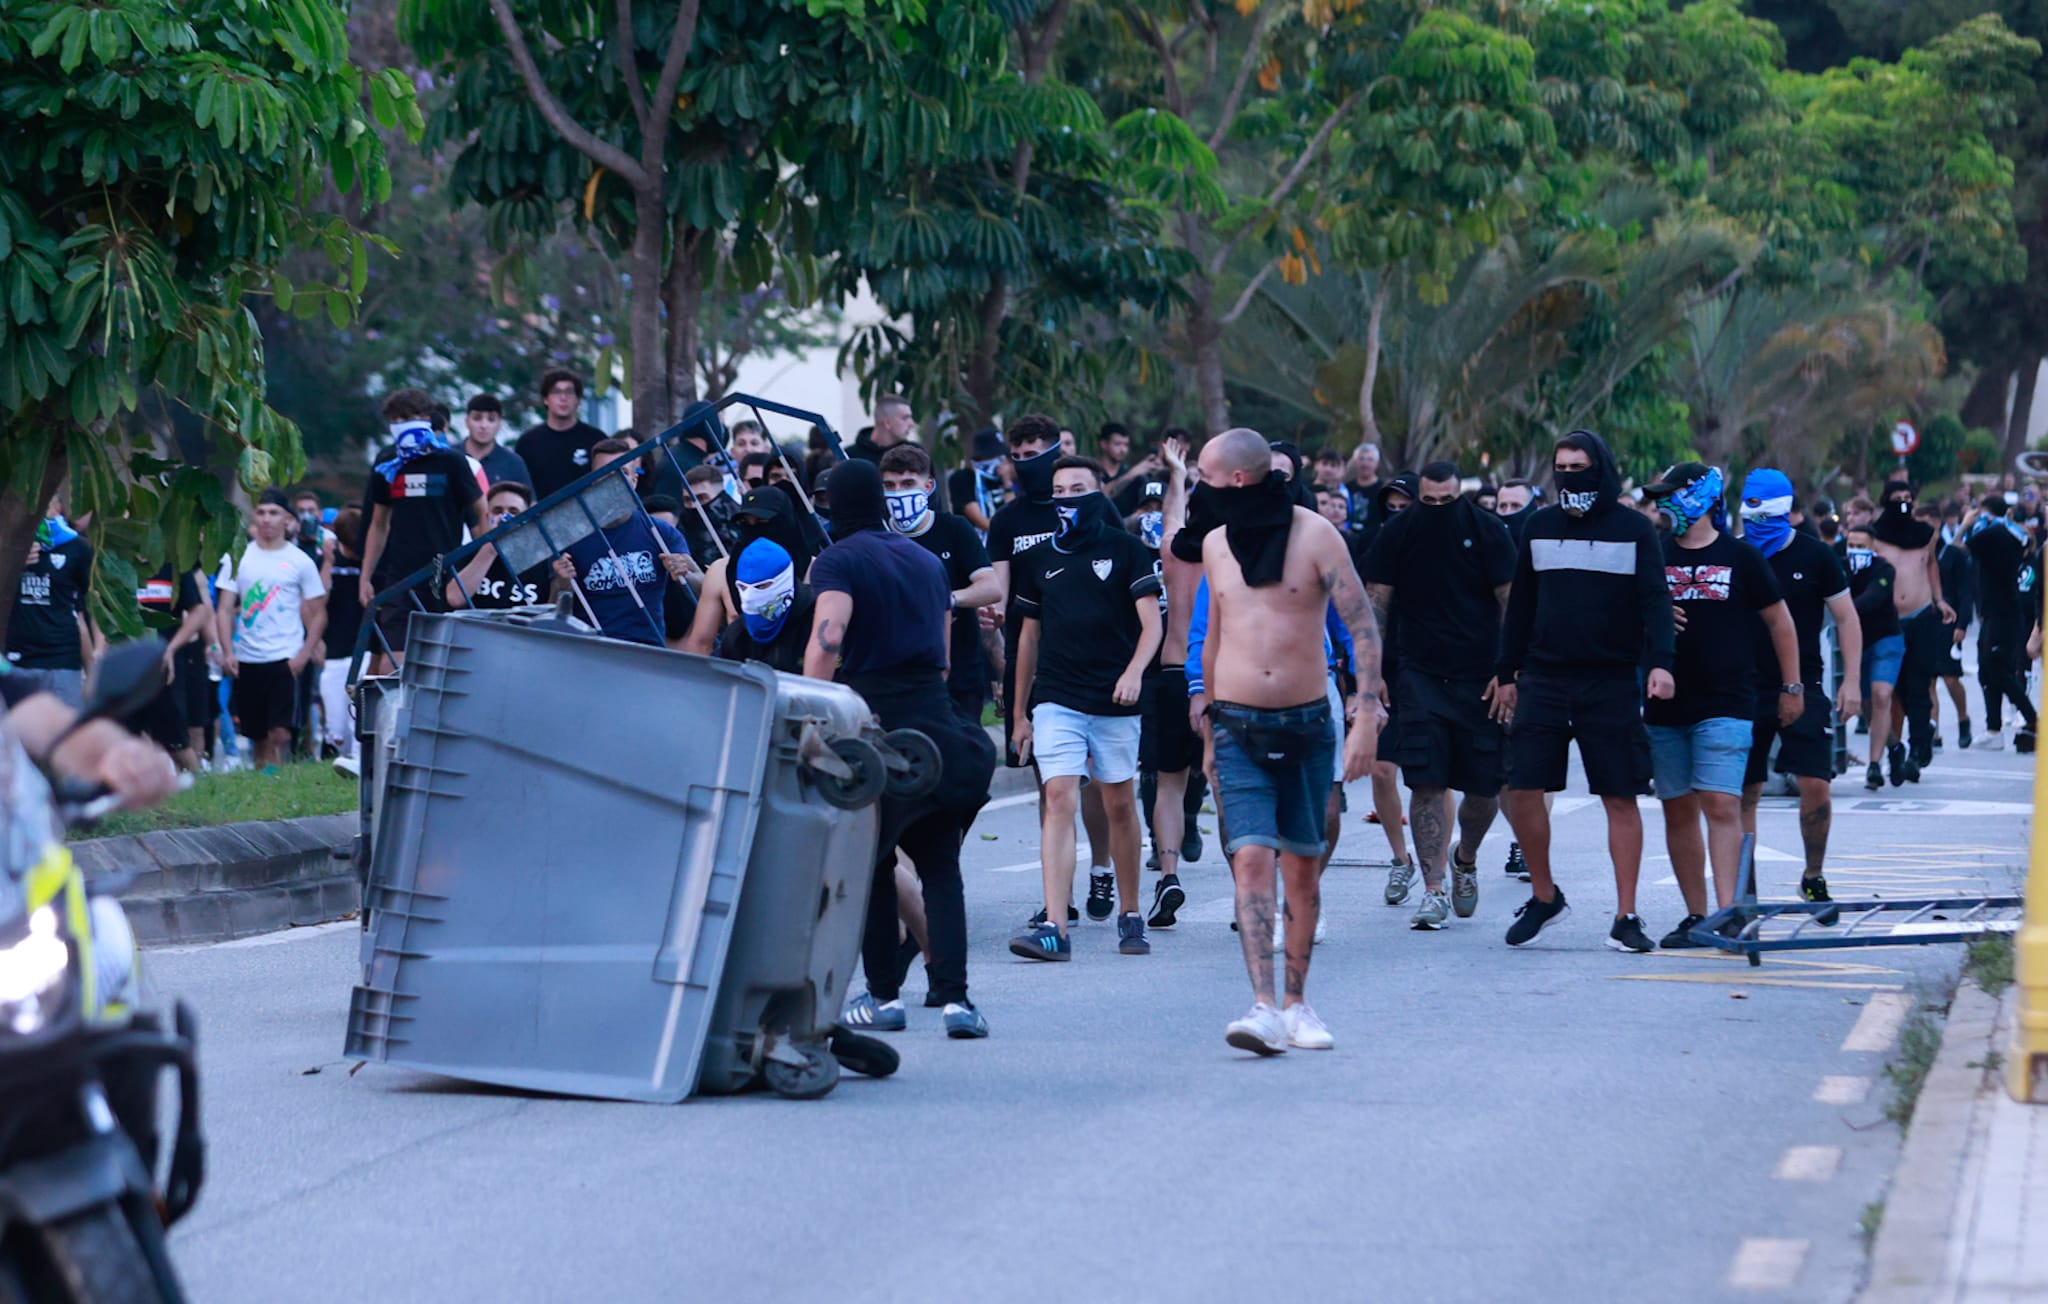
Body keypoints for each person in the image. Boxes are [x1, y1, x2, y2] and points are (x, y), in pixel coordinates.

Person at [1174, 428, 1378, 1055]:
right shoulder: (1213, 544)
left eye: (1202, 476)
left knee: (1303, 869)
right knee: (1252, 860)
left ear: (1237, 480)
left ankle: (1298, 1001)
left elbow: (1362, 623)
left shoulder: (1315, 533)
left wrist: (1367, 713)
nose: (1196, 489)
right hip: (1236, 727)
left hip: (1308, 726)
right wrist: (1206, 723)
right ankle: (1262, 1005)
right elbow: (1213, 638)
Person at [806, 459, 994, 1039]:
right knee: (941, 868)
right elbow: (941, 655)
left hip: (872, 722)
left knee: (874, 864)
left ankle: (883, 998)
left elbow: (829, 636)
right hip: (935, 726)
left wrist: (812, 705)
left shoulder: (836, 559)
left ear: (837, 503)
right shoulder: (921, 558)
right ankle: (958, 1002)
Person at [1490, 430, 1675, 951]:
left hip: (1611, 680)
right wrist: (1507, 671)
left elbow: (1656, 601)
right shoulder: (1538, 526)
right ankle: (1545, 897)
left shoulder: (1635, 529)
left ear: (1602, 467)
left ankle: (1626, 915)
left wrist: (1661, 663)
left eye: (1580, 465)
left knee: (1620, 796)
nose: (1570, 474)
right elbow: (1521, 604)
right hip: (1544, 678)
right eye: (1562, 466)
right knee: (1522, 789)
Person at [1636, 463, 1801, 950]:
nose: (1661, 505)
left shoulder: (1742, 557)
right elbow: (1624, 620)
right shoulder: (1653, 556)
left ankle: (1728, 913)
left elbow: (1781, 623)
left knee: (1722, 802)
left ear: (1698, 498)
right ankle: (1695, 915)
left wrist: (1792, 687)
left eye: (1669, 495)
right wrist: (1653, 621)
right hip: (1665, 702)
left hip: (1729, 698)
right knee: (1677, 808)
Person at [1005, 458, 1164, 963]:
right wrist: (1019, 714)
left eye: (1078, 489)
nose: (1066, 499)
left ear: (1098, 495)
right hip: (1057, 696)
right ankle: (1055, 924)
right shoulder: (1039, 558)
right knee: (1058, 797)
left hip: (1116, 697)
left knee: (1119, 803)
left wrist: (1135, 671)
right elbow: (1027, 637)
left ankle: (1131, 912)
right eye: (1058, 491)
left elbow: (1152, 626)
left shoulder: (1128, 550)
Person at [1364, 460, 1516, 931]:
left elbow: (1512, 603)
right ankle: (1432, 891)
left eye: (1444, 502)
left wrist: (1509, 672)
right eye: (1427, 501)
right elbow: (1375, 607)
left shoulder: (1488, 531)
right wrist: (1375, 675)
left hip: (1480, 677)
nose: (1435, 509)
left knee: (1483, 790)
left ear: (1459, 496)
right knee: (1426, 781)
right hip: (1418, 673)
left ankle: (1464, 859)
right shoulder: (1398, 533)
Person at [1730, 469, 1861, 916]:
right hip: (1743, 687)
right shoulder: (1735, 554)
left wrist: (1853, 681)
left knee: (1816, 787)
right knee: (1745, 793)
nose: (1757, 521)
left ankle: (1812, 876)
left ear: (1788, 512)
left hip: (1804, 684)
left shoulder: (1816, 556)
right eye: (1750, 510)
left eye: (1766, 512)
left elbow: (1846, 617)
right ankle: (1744, 894)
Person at [357, 388, 487, 665]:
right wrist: (366, 575)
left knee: (439, 662)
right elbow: (379, 524)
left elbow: (480, 513)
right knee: (392, 664)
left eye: (410, 417)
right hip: (400, 577)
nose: (403, 424)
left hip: (444, 574)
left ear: (427, 418)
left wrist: (483, 559)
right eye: (397, 419)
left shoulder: (451, 461)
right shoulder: (388, 463)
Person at [878, 446, 999, 725]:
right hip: (898, 676)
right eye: (890, 485)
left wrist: (945, 599)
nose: (898, 493)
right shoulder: (878, 534)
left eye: (908, 484)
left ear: (928, 485)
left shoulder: (954, 528)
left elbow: (991, 587)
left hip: (959, 675)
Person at [217, 490, 328, 771]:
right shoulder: (238, 557)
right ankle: (264, 786)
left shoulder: (300, 560)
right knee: (257, 735)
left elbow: (318, 614)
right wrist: (227, 650)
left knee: (281, 732)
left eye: (274, 513)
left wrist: (303, 654)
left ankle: (279, 779)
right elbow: (224, 609)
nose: (267, 519)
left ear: (287, 519)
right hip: (248, 657)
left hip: (285, 657)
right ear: (255, 516)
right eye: (262, 512)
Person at [549, 439, 698, 646]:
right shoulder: (571, 536)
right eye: (606, 474)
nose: (614, 482)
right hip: (590, 651)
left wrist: (685, 573)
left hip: (647, 651)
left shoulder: (661, 532)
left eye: (623, 473)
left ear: (635, 480)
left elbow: (703, 585)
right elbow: (551, 611)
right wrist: (563, 585)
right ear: (593, 482)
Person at [1869, 480, 1952, 777]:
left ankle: (1919, 747)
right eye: (1897, 498)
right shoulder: (1875, 536)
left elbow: (1931, 565)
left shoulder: (1925, 534)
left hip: (1921, 616)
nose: (1904, 502)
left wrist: (1939, 599)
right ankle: (1893, 748)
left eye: (1908, 497)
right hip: (1888, 620)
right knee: (1890, 690)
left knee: (1919, 686)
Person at [7, 500, 96, 708]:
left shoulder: (77, 548)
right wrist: (13, 563)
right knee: (21, 738)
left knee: (66, 736)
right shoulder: (8, 546)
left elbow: (89, 606)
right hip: (17, 660)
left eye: (43, 506)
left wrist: (93, 665)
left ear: (57, 508)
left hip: (62, 659)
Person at [1966, 497, 2038, 751]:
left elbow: (1969, 545)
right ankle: (1993, 729)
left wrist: (1968, 524)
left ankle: (2033, 719)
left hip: (2003, 613)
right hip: (1993, 612)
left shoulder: (1994, 533)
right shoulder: (2004, 532)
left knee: (1998, 671)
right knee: (1987, 670)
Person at [1844, 522, 1904, 787]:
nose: (1855, 551)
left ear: (1873, 548)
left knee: (1881, 696)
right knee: (1866, 706)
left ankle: (1874, 765)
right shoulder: (1840, 567)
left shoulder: (1884, 570)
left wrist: (1840, 610)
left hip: (1885, 639)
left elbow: (1873, 598)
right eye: (1851, 546)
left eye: (1861, 547)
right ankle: (1894, 746)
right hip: (1857, 643)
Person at [1918, 501, 1974, 750]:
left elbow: (1965, 593)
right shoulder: (1916, 554)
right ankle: (1934, 731)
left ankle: (1963, 719)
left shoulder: (1953, 555)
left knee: (1951, 678)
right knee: (1928, 680)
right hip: (1926, 623)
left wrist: (1962, 624)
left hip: (1949, 623)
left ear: (1937, 525)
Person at [445, 482, 550, 611]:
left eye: (513, 511)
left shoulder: (541, 560)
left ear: (526, 519)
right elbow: (454, 598)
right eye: (497, 511)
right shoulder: (468, 554)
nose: (504, 517)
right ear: (488, 517)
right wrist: (491, 548)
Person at [715, 539, 816, 673]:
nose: (750, 597)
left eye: (761, 586)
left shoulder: (820, 615)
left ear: (783, 580)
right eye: (743, 587)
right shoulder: (737, 636)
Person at [513, 369, 608, 499]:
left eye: (569, 392)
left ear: (578, 399)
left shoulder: (596, 439)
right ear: (546, 399)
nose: (563, 398)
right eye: (556, 392)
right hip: (540, 517)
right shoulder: (527, 442)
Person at [319, 509, 366, 762]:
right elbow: (318, 601)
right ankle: (343, 757)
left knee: (358, 715)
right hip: (335, 651)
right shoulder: (331, 561)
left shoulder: (373, 561)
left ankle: (359, 761)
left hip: (366, 649)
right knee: (336, 730)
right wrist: (328, 563)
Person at [462, 395, 533, 488]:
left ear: (499, 424)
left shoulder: (513, 463)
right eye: (477, 418)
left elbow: (530, 501)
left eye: (491, 419)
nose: (484, 425)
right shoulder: (449, 456)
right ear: (467, 421)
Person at [946, 428, 1007, 535]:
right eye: (995, 456)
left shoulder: (1002, 477)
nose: (1000, 460)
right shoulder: (962, 479)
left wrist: (1008, 483)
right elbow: (979, 520)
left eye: (1002, 456)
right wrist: (1007, 535)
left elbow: (1013, 513)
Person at [848, 396, 916, 464]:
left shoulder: (915, 454)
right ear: (887, 423)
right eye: (905, 418)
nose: (912, 424)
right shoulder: (849, 457)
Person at [1343, 442, 1382, 534]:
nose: (1365, 464)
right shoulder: (1347, 488)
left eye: (1370, 460)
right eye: (1361, 459)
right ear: (1355, 462)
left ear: (1377, 463)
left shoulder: (1383, 489)